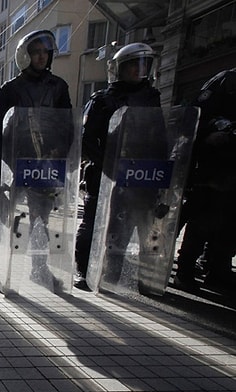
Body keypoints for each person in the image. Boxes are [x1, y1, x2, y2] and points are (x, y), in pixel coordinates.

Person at [0, 30, 71, 284]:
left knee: (41, 218)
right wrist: (10, 157)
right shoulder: (10, 89)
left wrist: (57, 154)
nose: (41, 57)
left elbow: (67, 126)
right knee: (1, 215)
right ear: (25, 56)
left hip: (44, 166)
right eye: (35, 52)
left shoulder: (59, 87)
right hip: (13, 164)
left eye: (45, 52)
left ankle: (39, 267)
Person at [73, 42, 162, 290]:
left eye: (143, 65)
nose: (138, 70)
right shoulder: (102, 100)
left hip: (139, 176)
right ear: (120, 68)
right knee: (93, 224)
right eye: (133, 65)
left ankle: (117, 272)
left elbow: (158, 137)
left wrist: (160, 170)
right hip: (105, 174)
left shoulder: (152, 99)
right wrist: (110, 165)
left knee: (128, 227)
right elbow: (87, 139)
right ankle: (84, 269)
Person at [173, 68, 236, 290]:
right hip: (213, 168)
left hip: (230, 171)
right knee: (203, 221)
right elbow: (195, 117)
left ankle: (218, 269)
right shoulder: (226, 81)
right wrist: (217, 130)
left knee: (229, 225)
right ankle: (185, 269)